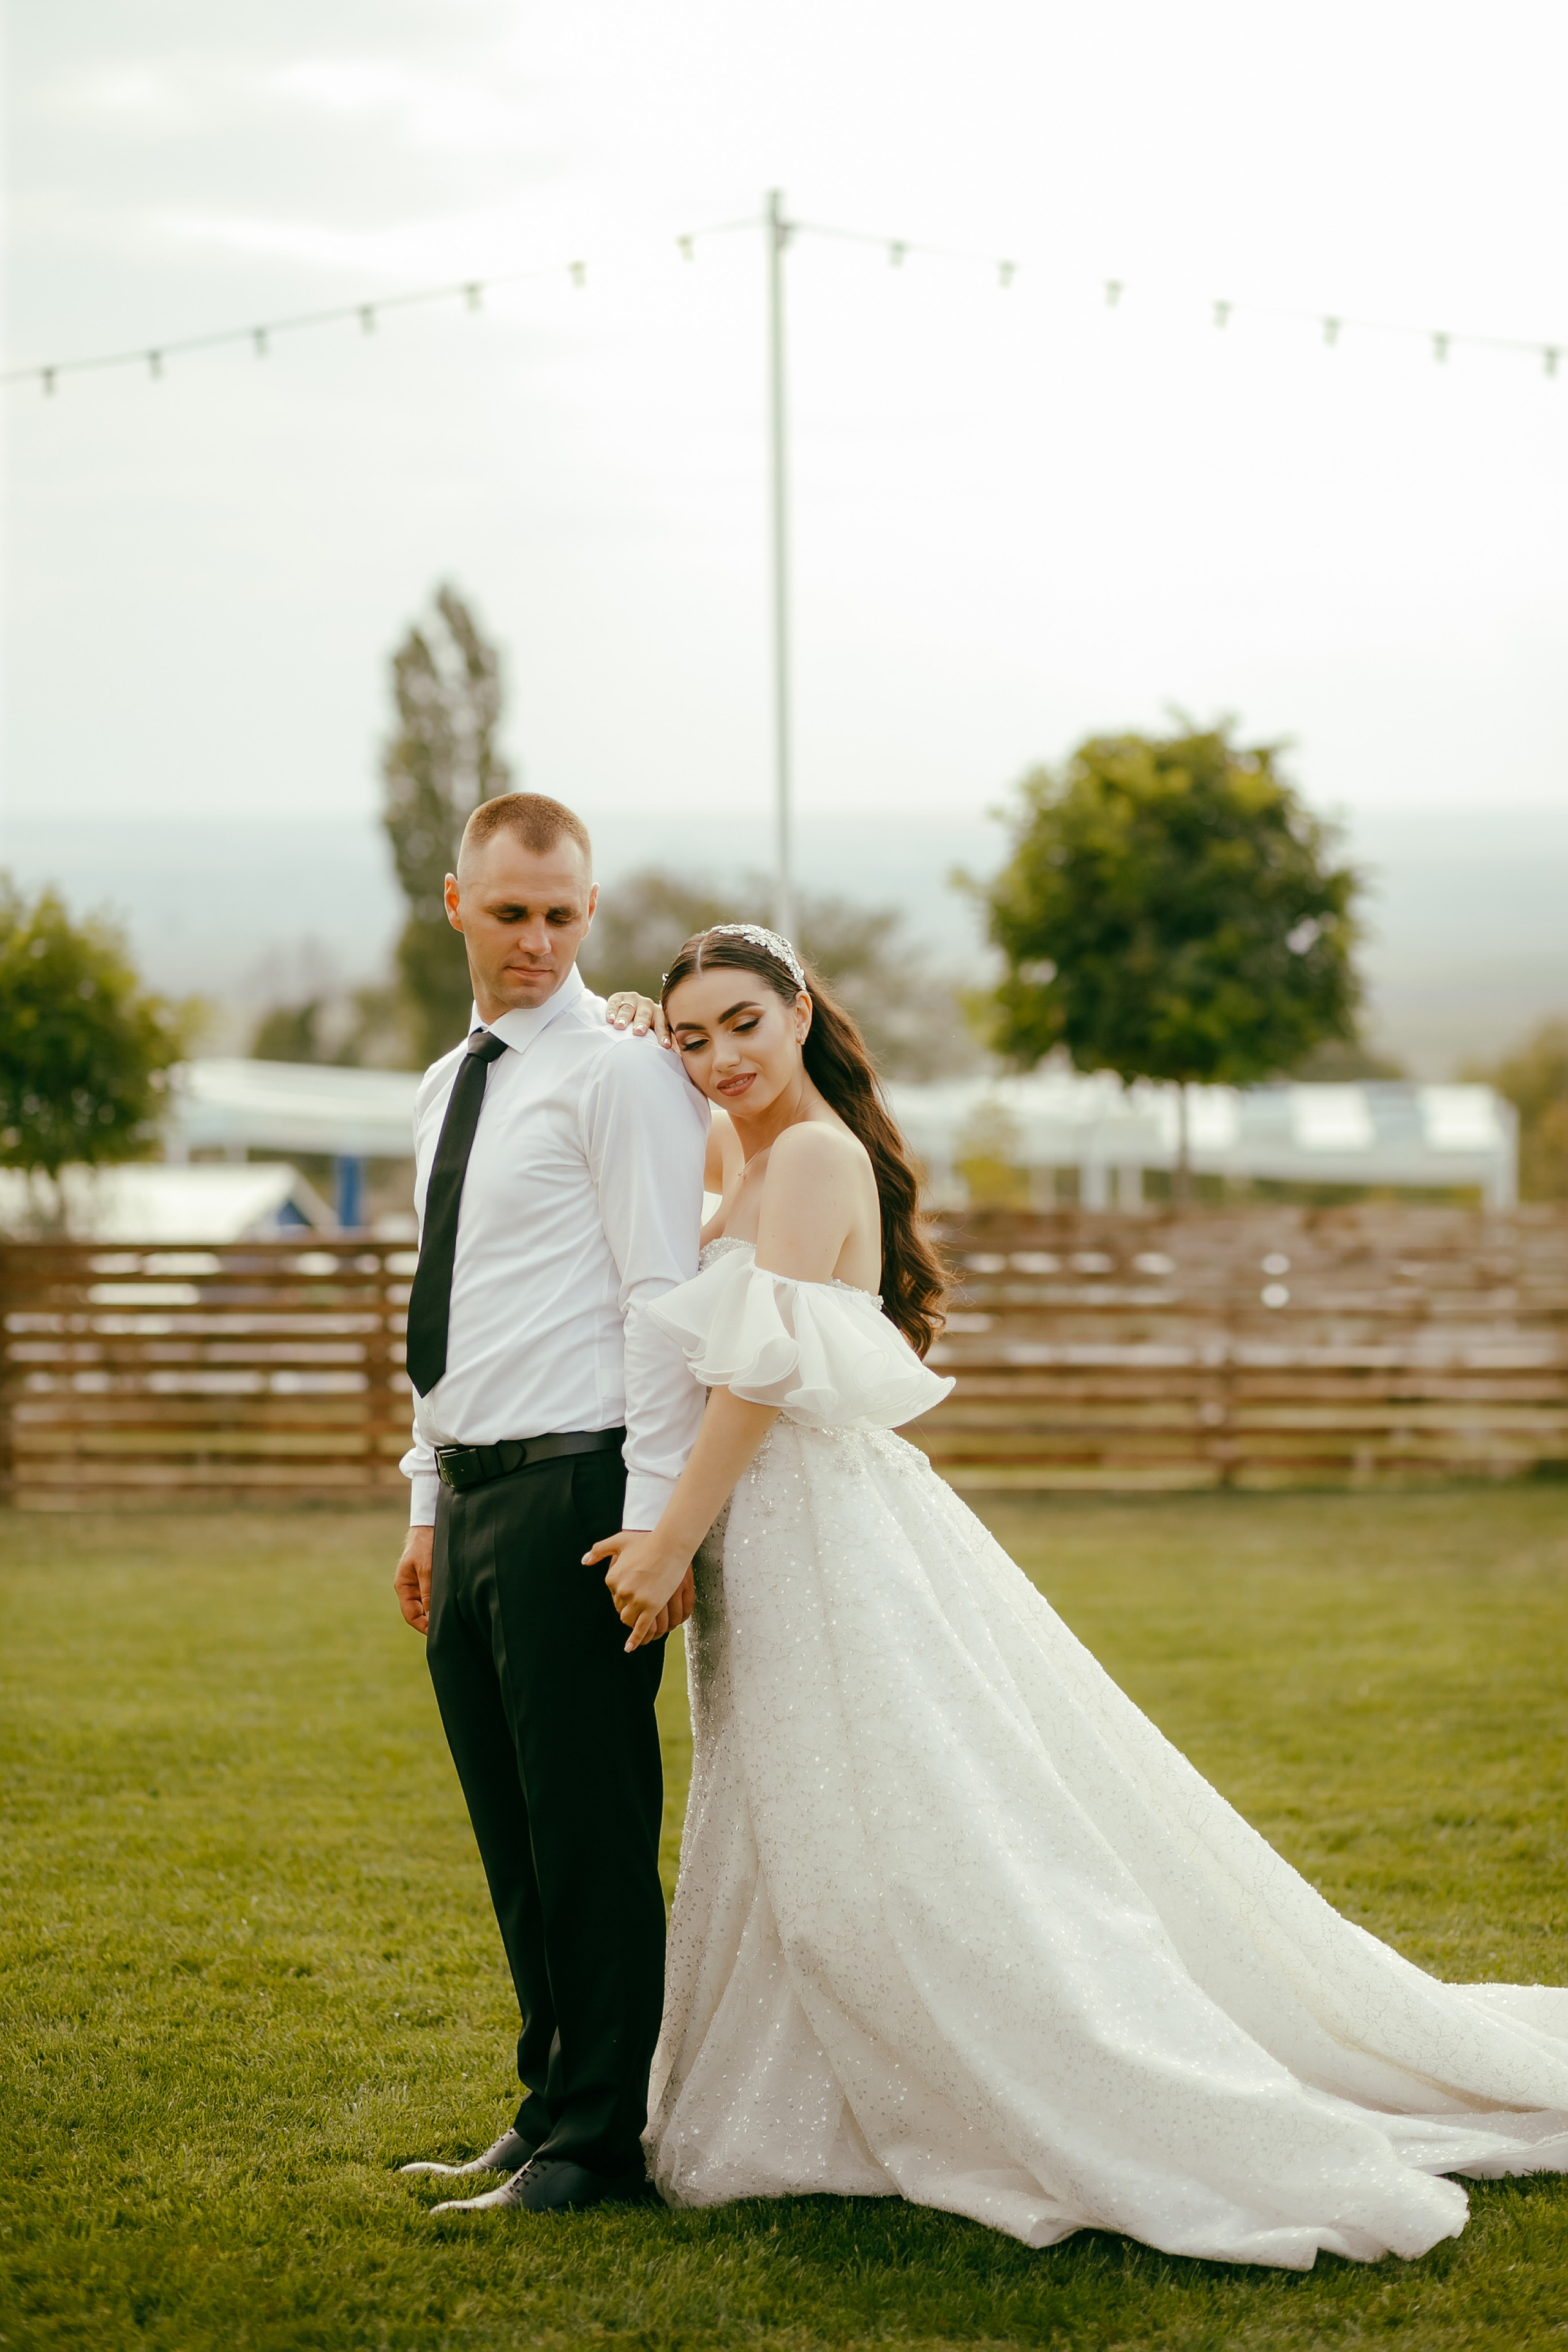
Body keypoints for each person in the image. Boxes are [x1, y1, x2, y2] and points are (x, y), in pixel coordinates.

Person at [590, 922, 1568, 2270]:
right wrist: (629, 1045)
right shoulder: (749, 1147)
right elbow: (670, 1188)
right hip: (773, 1529)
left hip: (806, 1523)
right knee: (797, 1811)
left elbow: (755, 1380)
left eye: (741, 1025)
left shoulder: (809, 1156)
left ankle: (1072, 2069)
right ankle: (802, 2084)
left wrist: (662, 1543)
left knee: (905, 1817)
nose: (719, 1059)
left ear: (800, 1010)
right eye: (693, 1036)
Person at [391, 792, 714, 2217]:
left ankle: (599, 2144)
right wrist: (420, 1504)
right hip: (468, 1502)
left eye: (562, 915)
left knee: (585, 1830)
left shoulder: (620, 1074)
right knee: (512, 1834)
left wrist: (653, 1520)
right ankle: (543, 2107)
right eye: (510, 912)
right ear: (455, 902)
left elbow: (661, 1297)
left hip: (577, 1489)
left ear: (590, 914)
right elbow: (447, 1303)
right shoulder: (438, 1085)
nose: (536, 941)